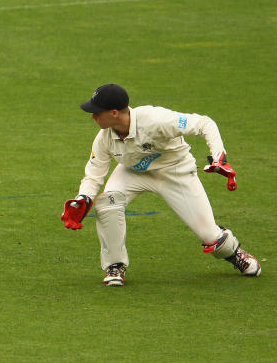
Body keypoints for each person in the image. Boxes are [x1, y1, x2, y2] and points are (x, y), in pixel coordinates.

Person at [61, 83, 260, 286]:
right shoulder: (104, 138)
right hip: (132, 172)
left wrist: (219, 157)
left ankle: (233, 252)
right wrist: (83, 198)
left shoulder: (156, 120)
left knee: (209, 235)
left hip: (175, 172)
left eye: (97, 112)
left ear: (113, 113)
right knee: (108, 202)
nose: (93, 116)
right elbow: (94, 174)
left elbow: (204, 123)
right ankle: (115, 266)